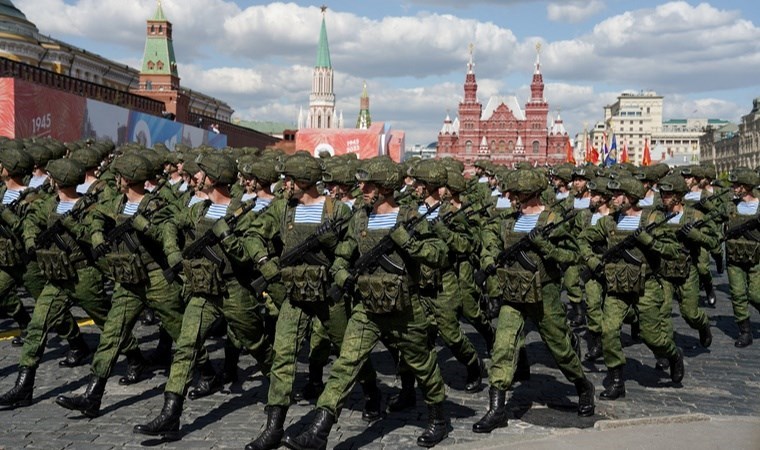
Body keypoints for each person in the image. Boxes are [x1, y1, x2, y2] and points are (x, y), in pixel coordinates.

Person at [282, 157, 450, 449]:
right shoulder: (360, 216)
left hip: (405, 309)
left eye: (368, 183)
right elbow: (343, 255)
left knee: (422, 365)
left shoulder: (411, 216)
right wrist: (343, 274)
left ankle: (439, 418)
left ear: (385, 187)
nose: (361, 188)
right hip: (367, 308)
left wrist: (410, 244)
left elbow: (439, 254)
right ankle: (318, 432)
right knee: (346, 364)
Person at [244, 153, 380, 450]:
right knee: (282, 356)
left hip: (327, 296)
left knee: (348, 348)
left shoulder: (338, 210)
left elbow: (355, 245)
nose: (286, 185)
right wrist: (265, 262)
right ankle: (274, 427)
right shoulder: (281, 208)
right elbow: (252, 234)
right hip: (295, 295)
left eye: (290, 179)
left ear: (304, 180)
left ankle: (372, 390)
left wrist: (335, 247)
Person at [134, 152, 273, 439]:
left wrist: (228, 238)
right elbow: (171, 223)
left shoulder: (244, 211)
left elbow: (248, 253)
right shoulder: (200, 209)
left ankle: (278, 379)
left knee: (256, 343)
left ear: (216, 178)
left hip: (234, 291)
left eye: (204, 174)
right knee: (186, 346)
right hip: (203, 290)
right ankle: (171, 413)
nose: (198, 177)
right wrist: (172, 251)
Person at [54, 152, 195, 417]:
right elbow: (97, 215)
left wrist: (144, 225)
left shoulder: (157, 205)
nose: (116, 180)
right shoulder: (116, 201)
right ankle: (92, 395)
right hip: (129, 281)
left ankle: (207, 372)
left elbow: (167, 236)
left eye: (119, 176)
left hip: (156, 280)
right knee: (111, 335)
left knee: (180, 332)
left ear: (127, 179)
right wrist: (96, 233)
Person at [0, 158, 140, 409]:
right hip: (57, 277)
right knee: (37, 326)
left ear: (60, 180)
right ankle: (24, 386)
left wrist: (72, 225)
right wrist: (31, 239)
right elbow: (31, 221)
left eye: (53, 177)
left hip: (84, 277)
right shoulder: (50, 204)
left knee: (108, 324)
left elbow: (93, 234)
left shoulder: (88, 208)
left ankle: (134, 356)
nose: (49, 180)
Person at [473, 168, 594, 434]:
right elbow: (490, 240)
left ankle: (582, 385)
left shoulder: (553, 219)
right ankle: (496, 408)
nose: (511, 197)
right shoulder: (509, 220)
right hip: (513, 292)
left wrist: (546, 247)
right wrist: (489, 259)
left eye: (516, 193)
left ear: (529, 194)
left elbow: (572, 255)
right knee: (503, 345)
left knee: (560, 348)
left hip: (544, 295)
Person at [579, 175, 685, 400]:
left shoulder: (653, 219)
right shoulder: (608, 222)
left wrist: (649, 241)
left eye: (618, 195)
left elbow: (674, 251)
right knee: (608, 330)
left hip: (646, 286)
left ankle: (673, 355)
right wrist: (593, 262)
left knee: (651, 336)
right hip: (617, 286)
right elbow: (583, 240)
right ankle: (617, 380)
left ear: (631, 197)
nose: (613, 199)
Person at [656, 174, 716, 349]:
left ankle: (703, 324)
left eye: (667, 194)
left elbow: (713, 240)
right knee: (663, 311)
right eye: (662, 194)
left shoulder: (695, 215)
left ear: (677, 196)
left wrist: (695, 235)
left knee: (690, 313)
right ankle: (666, 350)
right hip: (663, 271)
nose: (663, 197)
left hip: (688, 271)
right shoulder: (656, 216)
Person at [724, 168, 760, 347]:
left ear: (747, 186)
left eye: (738, 185)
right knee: (737, 294)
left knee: (755, 295)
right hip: (734, 258)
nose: (734, 187)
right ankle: (745, 331)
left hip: (757, 258)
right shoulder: (730, 205)